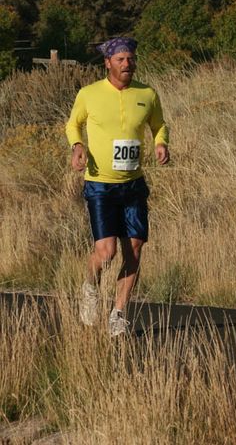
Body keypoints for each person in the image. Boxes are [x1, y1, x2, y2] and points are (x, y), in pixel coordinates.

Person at [66, 37, 169, 336]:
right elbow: (73, 123)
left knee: (134, 249)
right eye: (121, 59)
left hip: (133, 184)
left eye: (131, 58)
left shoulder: (147, 94)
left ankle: (119, 312)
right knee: (107, 251)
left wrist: (161, 142)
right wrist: (76, 145)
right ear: (107, 63)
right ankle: (90, 286)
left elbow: (158, 124)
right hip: (100, 184)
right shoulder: (89, 94)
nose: (128, 64)